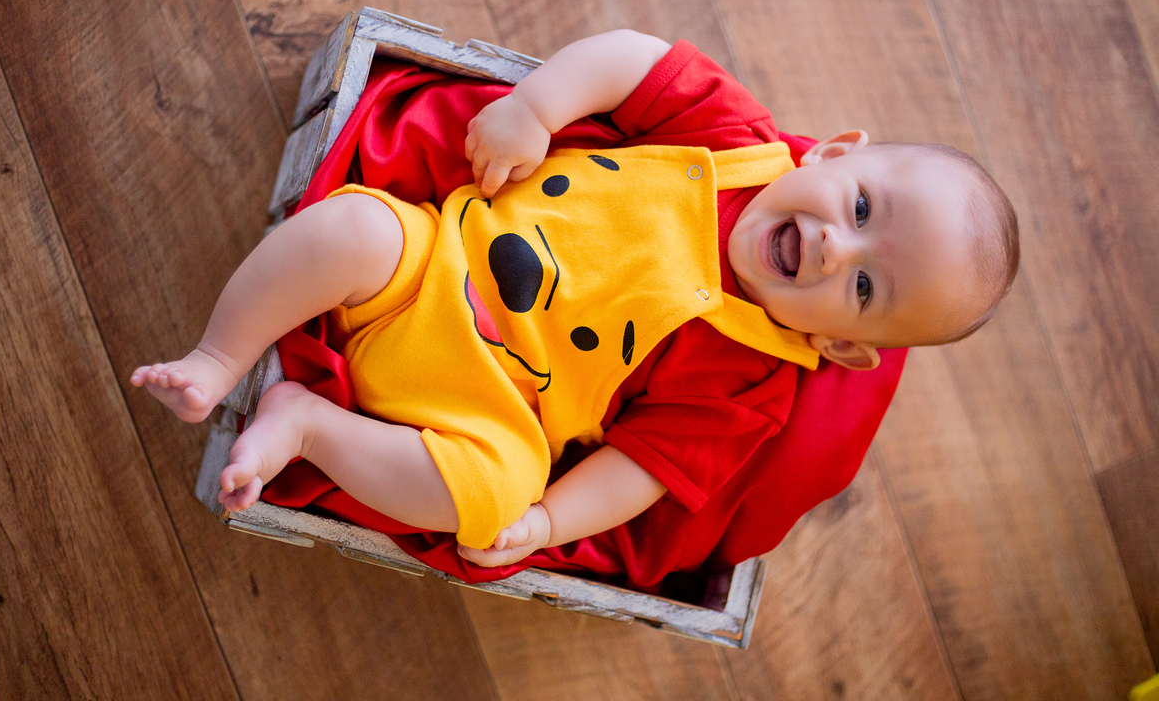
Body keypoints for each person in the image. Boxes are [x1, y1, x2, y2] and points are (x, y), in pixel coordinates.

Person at [132, 30, 1019, 567]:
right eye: (861, 207)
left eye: (865, 286)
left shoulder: (752, 384)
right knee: (356, 231)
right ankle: (221, 355)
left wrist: (547, 517)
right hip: (436, 257)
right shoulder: (733, 140)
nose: (835, 244)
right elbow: (635, 63)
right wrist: (537, 105)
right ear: (831, 153)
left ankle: (308, 425)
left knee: (488, 494)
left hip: (489, 406)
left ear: (845, 351)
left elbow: (642, 471)